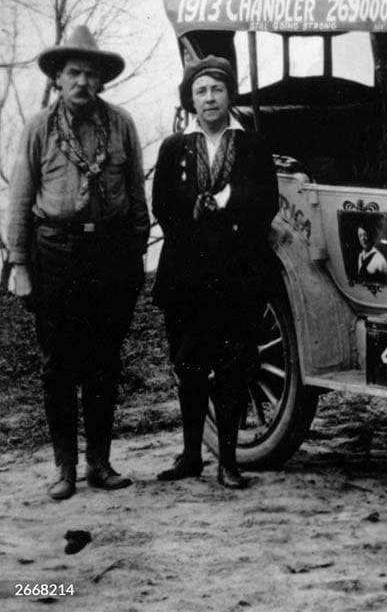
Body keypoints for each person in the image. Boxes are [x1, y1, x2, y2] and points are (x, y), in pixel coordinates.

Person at [5, 26, 149, 500]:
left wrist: (134, 255)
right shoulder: (39, 128)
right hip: (55, 255)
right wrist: (20, 264)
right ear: (58, 79)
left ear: (101, 81)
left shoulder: (121, 124)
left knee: (105, 362)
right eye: (73, 73)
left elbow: (135, 195)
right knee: (58, 365)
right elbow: (22, 200)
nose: (82, 82)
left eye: (90, 74)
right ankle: (64, 469)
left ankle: (99, 465)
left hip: (110, 256)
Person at [151, 54, 278, 490]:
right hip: (186, 275)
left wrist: (226, 205)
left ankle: (228, 461)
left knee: (232, 366)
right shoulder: (173, 149)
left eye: (217, 89)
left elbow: (267, 203)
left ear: (229, 95)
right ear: (191, 98)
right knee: (189, 364)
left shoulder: (254, 146)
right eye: (201, 91)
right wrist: (196, 214)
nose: (209, 98)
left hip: (238, 274)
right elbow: (162, 208)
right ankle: (190, 456)